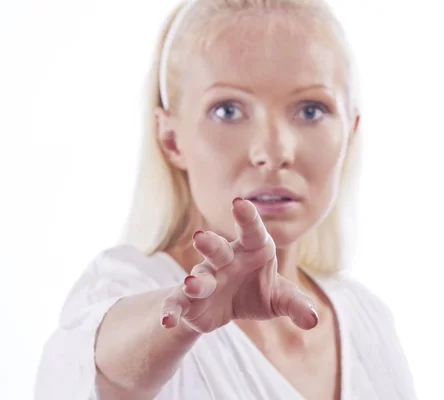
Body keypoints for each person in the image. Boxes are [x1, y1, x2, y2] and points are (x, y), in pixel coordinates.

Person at [34, 0, 418, 399]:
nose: (273, 150)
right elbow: (99, 369)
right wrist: (182, 319)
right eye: (228, 110)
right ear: (170, 139)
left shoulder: (368, 322)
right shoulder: (127, 289)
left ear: (350, 131)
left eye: (310, 110)